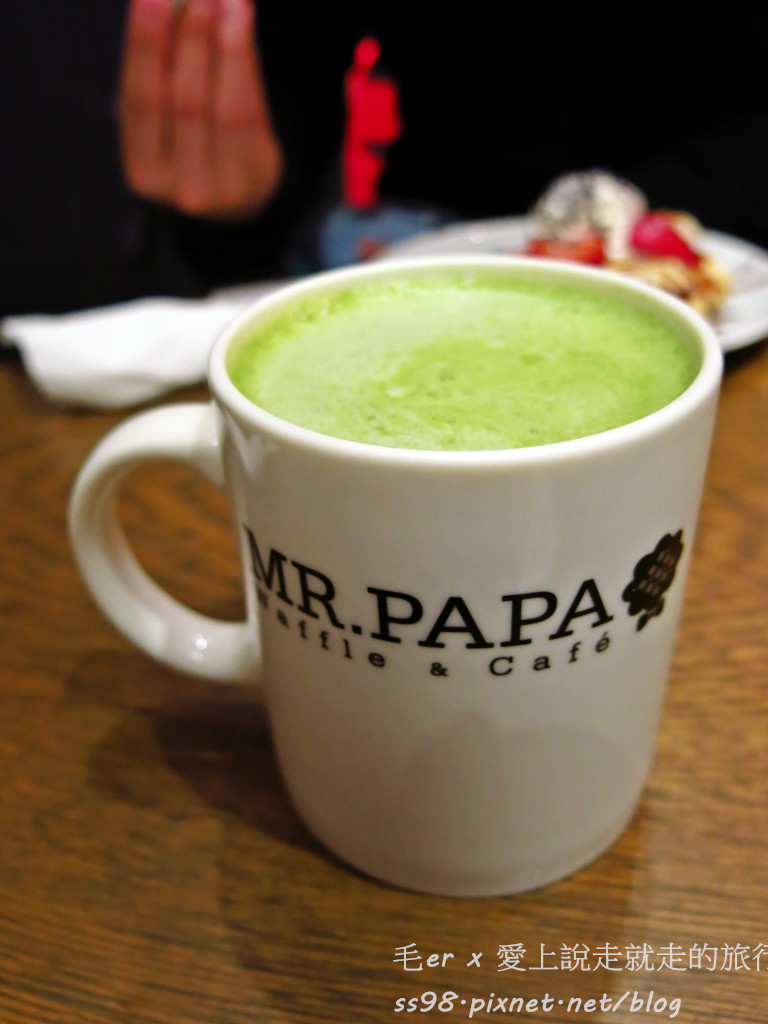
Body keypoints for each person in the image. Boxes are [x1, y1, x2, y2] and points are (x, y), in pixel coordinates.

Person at [3, 1, 768, 318]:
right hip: (429, 247)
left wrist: (628, 235)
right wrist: (239, 208)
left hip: (732, 265)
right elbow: (284, 123)